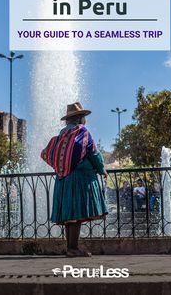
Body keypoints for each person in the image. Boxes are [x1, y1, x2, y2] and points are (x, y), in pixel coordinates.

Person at [41, 102, 108, 257]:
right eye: (83, 117)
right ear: (80, 118)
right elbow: (94, 153)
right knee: (76, 214)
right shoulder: (82, 132)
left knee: (69, 216)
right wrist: (101, 169)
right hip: (78, 179)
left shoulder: (61, 135)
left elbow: (47, 153)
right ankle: (73, 248)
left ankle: (71, 248)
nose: (85, 120)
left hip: (62, 180)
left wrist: (61, 167)